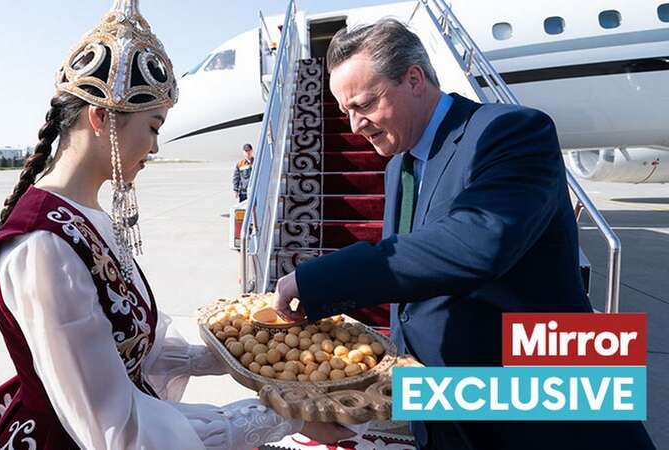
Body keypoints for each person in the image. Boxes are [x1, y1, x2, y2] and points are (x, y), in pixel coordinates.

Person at [0, 2, 352, 449]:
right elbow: (117, 432)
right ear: (102, 120)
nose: (155, 147)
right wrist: (279, 417)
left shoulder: (86, 217)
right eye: (153, 127)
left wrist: (231, 352)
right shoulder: (44, 247)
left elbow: (133, 349)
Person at [272, 19, 655, 450]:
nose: (356, 124)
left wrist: (319, 279)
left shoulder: (511, 130)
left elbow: (474, 244)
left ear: (414, 79)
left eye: (365, 104)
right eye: (346, 112)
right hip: (447, 407)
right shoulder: (400, 162)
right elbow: (415, 290)